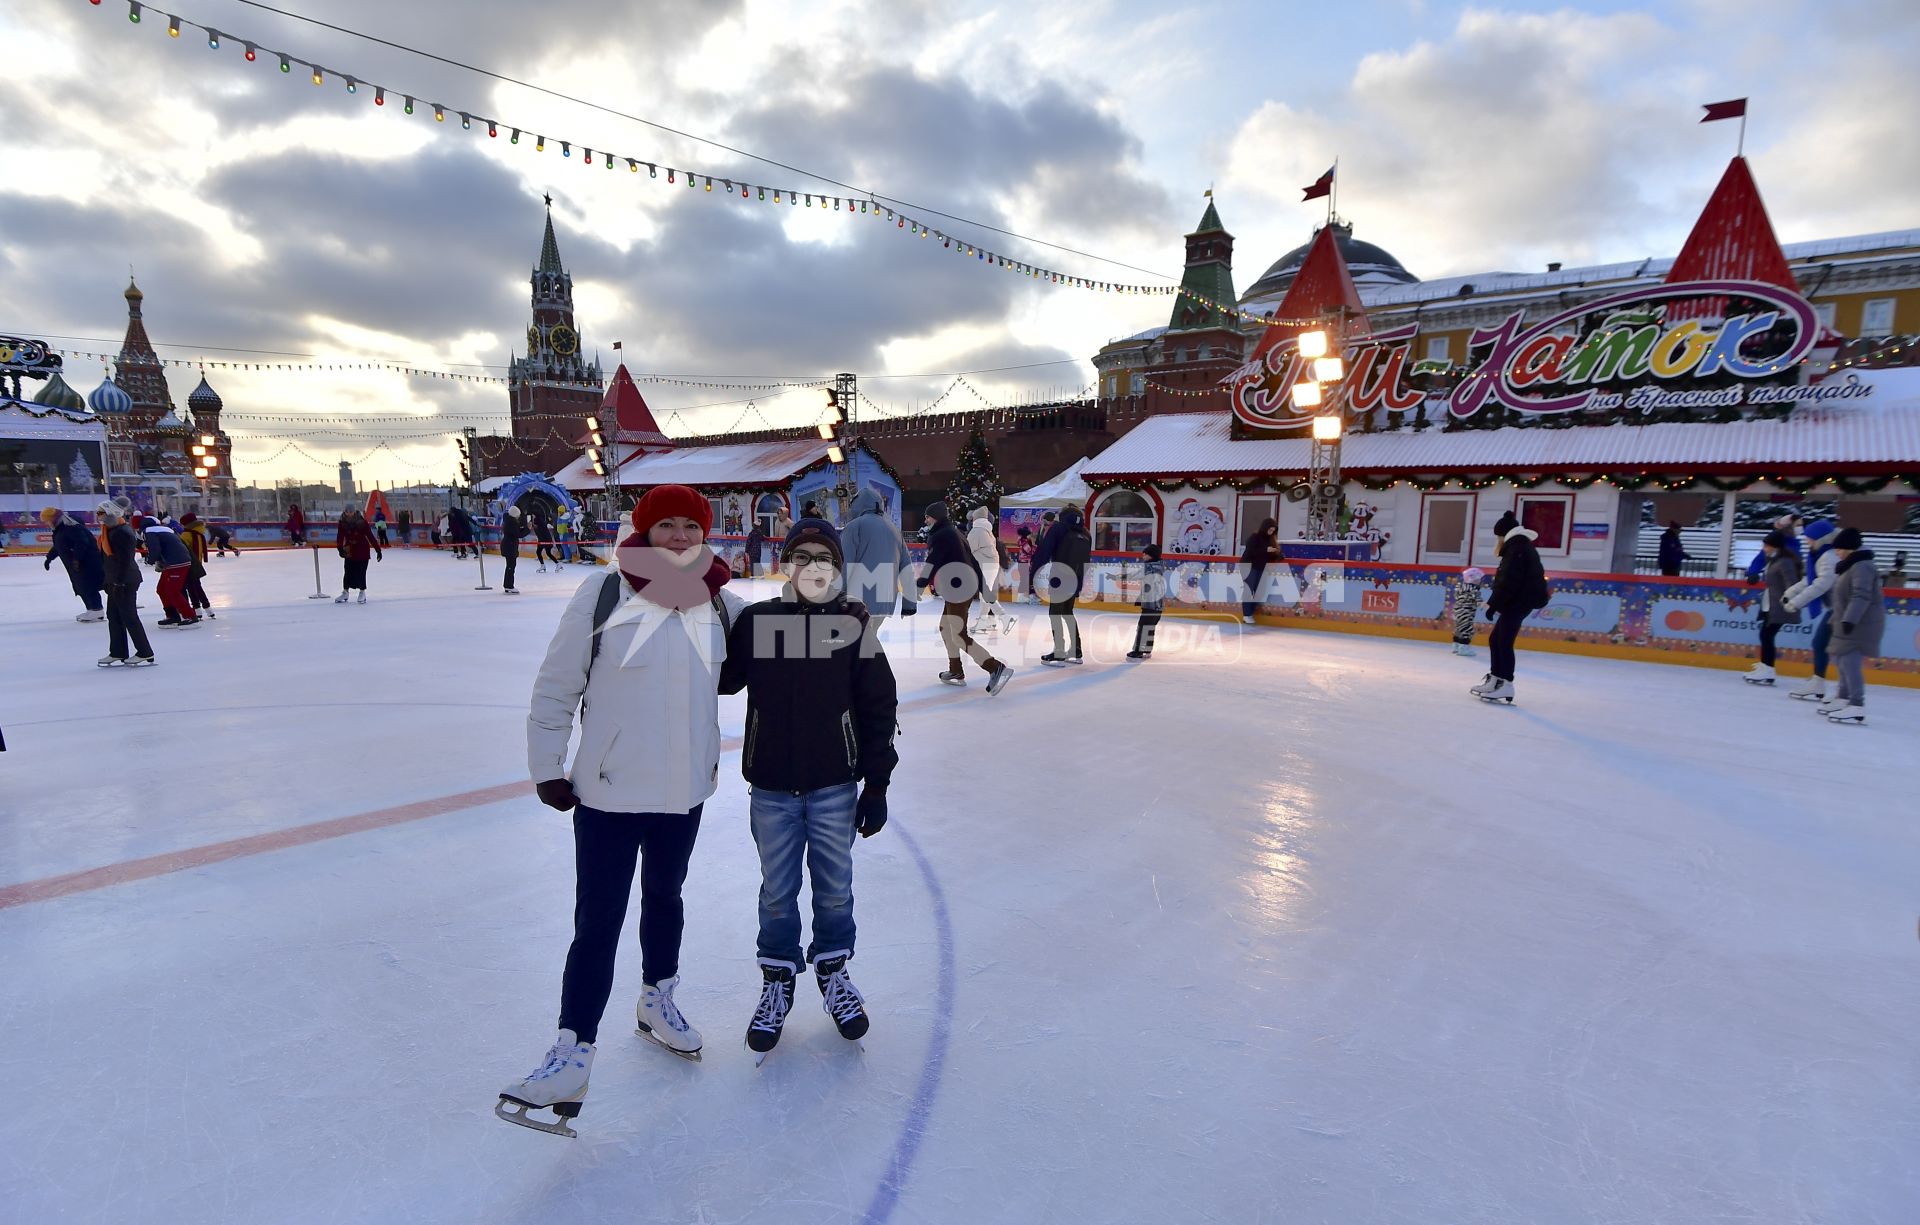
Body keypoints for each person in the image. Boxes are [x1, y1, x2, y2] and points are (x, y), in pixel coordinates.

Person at [499, 486, 745, 1137]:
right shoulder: (603, 593)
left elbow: (784, 642)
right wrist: (547, 765)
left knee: (667, 895)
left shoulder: (718, 602)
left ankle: (657, 997)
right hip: (607, 795)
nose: (676, 535)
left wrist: (844, 624)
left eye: (688, 525)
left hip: (682, 792)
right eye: (663, 523)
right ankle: (572, 1049)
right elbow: (557, 684)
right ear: (642, 530)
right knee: (599, 920)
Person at [718, 516, 898, 1062]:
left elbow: (877, 706)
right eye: (803, 557)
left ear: (837, 571)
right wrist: (711, 603)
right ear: (788, 565)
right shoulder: (759, 620)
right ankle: (778, 978)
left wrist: (877, 783)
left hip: (834, 786)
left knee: (835, 888)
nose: (812, 567)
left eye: (824, 559)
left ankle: (834, 971)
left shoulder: (850, 626)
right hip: (771, 785)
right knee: (777, 890)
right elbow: (726, 679)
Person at [917, 501, 1012, 692]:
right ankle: (956, 670)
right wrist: (984, 588)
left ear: (935, 517)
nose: (926, 520)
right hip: (960, 587)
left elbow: (932, 561)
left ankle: (995, 668)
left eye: (928, 516)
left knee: (958, 634)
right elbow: (974, 562)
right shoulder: (954, 533)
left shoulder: (942, 535)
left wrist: (919, 585)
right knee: (946, 628)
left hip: (959, 588)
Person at [1471, 512, 1549, 703]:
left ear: (1504, 534)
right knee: (1496, 639)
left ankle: (1505, 684)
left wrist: (1493, 605)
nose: (1497, 540)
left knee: (1503, 641)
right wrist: (1495, 603)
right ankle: (1496, 679)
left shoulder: (1517, 549)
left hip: (1521, 601)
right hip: (1519, 600)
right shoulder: (1518, 546)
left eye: (1498, 536)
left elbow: (1508, 581)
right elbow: (1507, 582)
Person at [1821, 528, 1884, 724]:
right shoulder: (1850, 565)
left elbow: (1861, 595)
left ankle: (1857, 705)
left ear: (1848, 549)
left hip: (1859, 624)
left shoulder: (1862, 567)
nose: (1837, 553)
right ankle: (1843, 698)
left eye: (1839, 549)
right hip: (1846, 621)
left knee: (1849, 663)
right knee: (1841, 660)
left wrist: (1850, 619)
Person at [839, 489, 914, 629]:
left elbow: (844, 565)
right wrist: (909, 603)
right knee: (868, 641)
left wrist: (836, 598)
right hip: (885, 600)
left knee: (855, 644)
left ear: (856, 505)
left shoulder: (854, 527)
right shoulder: (894, 530)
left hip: (857, 600)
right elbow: (906, 568)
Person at [1782, 520, 1838, 701]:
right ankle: (1818, 682)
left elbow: (1821, 584)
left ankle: (1838, 690)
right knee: (1821, 644)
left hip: (1841, 608)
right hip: (1836, 607)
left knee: (1825, 645)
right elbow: (1810, 579)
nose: (1807, 542)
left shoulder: (1829, 556)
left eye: (1810, 539)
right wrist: (1791, 593)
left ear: (1821, 539)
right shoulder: (1820, 555)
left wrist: (1796, 602)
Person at [95, 501, 155, 667]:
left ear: (110, 513)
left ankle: (145, 652)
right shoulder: (108, 531)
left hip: (125, 581)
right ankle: (118, 651)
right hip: (114, 580)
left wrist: (119, 583)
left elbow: (124, 561)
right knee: (114, 617)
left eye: (100, 512)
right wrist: (108, 581)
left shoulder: (122, 532)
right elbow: (108, 561)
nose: (98, 516)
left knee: (129, 617)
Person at [1033, 506, 1092, 666]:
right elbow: (1086, 561)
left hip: (1060, 577)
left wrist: (1032, 577)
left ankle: (1059, 651)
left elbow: (1044, 551)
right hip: (1075, 578)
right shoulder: (1085, 533)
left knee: (1055, 613)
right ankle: (1076, 650)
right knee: (1067, 612)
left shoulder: (1059, 528)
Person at [1743, 529, 1802, 685]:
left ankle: (1768, 669)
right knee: (1765, 634)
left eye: (1767, 546)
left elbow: (1792, 583)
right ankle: (1765, 666)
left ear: (1775, 547)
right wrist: (1753, 575)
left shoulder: (1785, 562)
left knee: (1767, 635)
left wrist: (1790, 600)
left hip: (1779, 605)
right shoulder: (1773, 560)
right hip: (1770, 603)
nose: (1764, 548)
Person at [41, 506, 106, 622]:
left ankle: (96, 610)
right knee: (81, 586)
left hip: (87, 562)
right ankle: (91, 609)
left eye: (47, 520)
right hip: (75, 564)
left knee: (88, 586)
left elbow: (82, 542)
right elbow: (59, 546)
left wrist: (77, 558)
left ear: (54, 519)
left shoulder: (72, 527)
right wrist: (49, 558)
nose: (46, 523)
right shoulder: (60, 529)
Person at [141, 513, 198, 628]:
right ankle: (172, 615)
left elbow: (155, 549)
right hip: (176, 562)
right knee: (162, 589)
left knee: (172, 591)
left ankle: (190, 616)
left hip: (176, 563)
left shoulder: (149, 532)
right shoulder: (165, 530)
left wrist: (150, 560)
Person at [966, 506, 1009, 634]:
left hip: (985, 565)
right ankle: (989, 621)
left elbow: (968, 550)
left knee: (985, 593)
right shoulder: (987, 531)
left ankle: (1003, 617)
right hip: (991, 565)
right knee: (985, 593)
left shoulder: (976, 531)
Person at [1127, 542, 1167, 660]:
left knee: (1143, 626)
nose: (1143, 556)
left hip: (1150, 603)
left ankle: (1138, 651)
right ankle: (1147, 649)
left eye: (1145, 554)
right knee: (1150, 626)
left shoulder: (1148, 567)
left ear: (1151, 556)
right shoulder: (1160, 566)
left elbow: (1135, 576)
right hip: (1159, 603)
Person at [335, 509, 382, 604]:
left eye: (350, 512)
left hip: (362, 549)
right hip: (349, 549)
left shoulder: (362, 522)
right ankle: (345, 592)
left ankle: (362, 592)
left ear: (354, 512)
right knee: (347, 571)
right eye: (347, 512)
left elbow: (370, 536)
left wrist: (378, 550)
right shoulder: (342, 522)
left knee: (361, 571)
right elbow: (340, 536)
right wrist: (340, 548)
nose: (349, 513)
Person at [1239, 518, 1281, 624]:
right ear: (1265, 527)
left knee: (1260, 591)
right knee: (1249, 589)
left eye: (1273, 531)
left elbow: (1269, 555)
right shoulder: (1255, 537)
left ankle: (1250, 612)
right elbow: (1251, 551)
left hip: (1260, 567)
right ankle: (1247, 614)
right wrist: (1265, 550)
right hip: (1248, 566)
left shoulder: (1270, 539)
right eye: (1269, 530)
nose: (1271, 532)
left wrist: (1277, 554)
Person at [178, 512, 215, 619]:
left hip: (189, 565)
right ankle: (208, 609)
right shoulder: (199, 532)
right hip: (197, 564)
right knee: (197, 587)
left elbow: (183, 550)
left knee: (191, 587)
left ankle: (197, 610)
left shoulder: (186, 534)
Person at [1451, 567, 1486, 656]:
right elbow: (1478, 601)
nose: (1480, 582)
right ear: (1473, 580)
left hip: (1457, 610)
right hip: (1466, 612)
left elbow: (1456, 596)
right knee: (1467, 630)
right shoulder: (1474, 589)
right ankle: (1463, 648)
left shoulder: (1460, 586)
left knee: (1459, 629)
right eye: (1479, 579)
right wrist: (1485, 606)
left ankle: (1456, 646)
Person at [500, 505, 526, 593]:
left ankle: (507, 585)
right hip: (510, 546)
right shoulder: (511, 522)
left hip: (509, 546)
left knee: (510, 566)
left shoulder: (508, 521)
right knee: (511, 566)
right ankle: (509, 585)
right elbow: (518, 534)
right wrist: (527, 529)